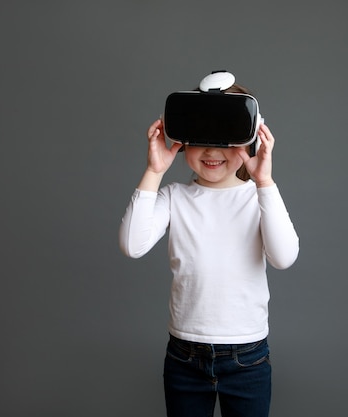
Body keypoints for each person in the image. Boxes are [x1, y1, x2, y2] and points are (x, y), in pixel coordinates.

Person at [118, 81, 299, 417]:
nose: (212, 152)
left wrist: (264, 183)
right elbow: (132, 245)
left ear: (251, 139)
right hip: (185, 356)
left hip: (247, 357)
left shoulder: (258, 198)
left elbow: (284, 257)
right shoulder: (175, 197)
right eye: (200, 139)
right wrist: (154, 171)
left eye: (226, 138)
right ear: (183, 141)